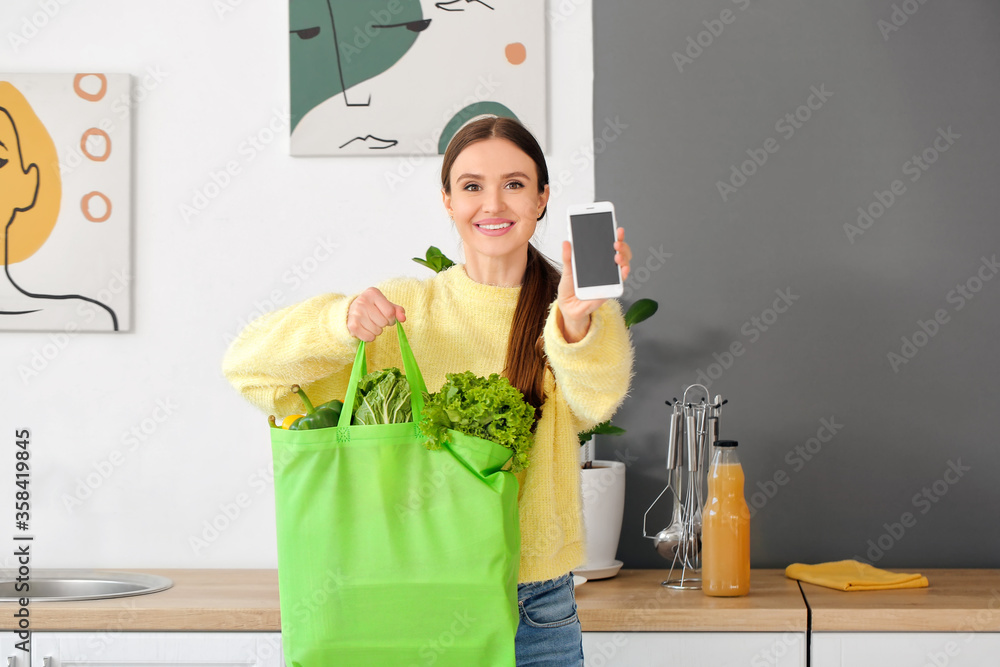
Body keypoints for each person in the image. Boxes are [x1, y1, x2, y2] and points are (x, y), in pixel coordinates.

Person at [222, 115, 634, 666]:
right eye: (471, 187)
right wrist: (337, 324)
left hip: (535, 609)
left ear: (541, 199)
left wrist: (578, 320)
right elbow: (250, 370)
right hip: (420, 595)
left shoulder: (566, 309)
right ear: (447, 200)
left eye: (514, 184)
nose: (493, 205)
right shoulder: (404, 312)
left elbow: (595, 400)